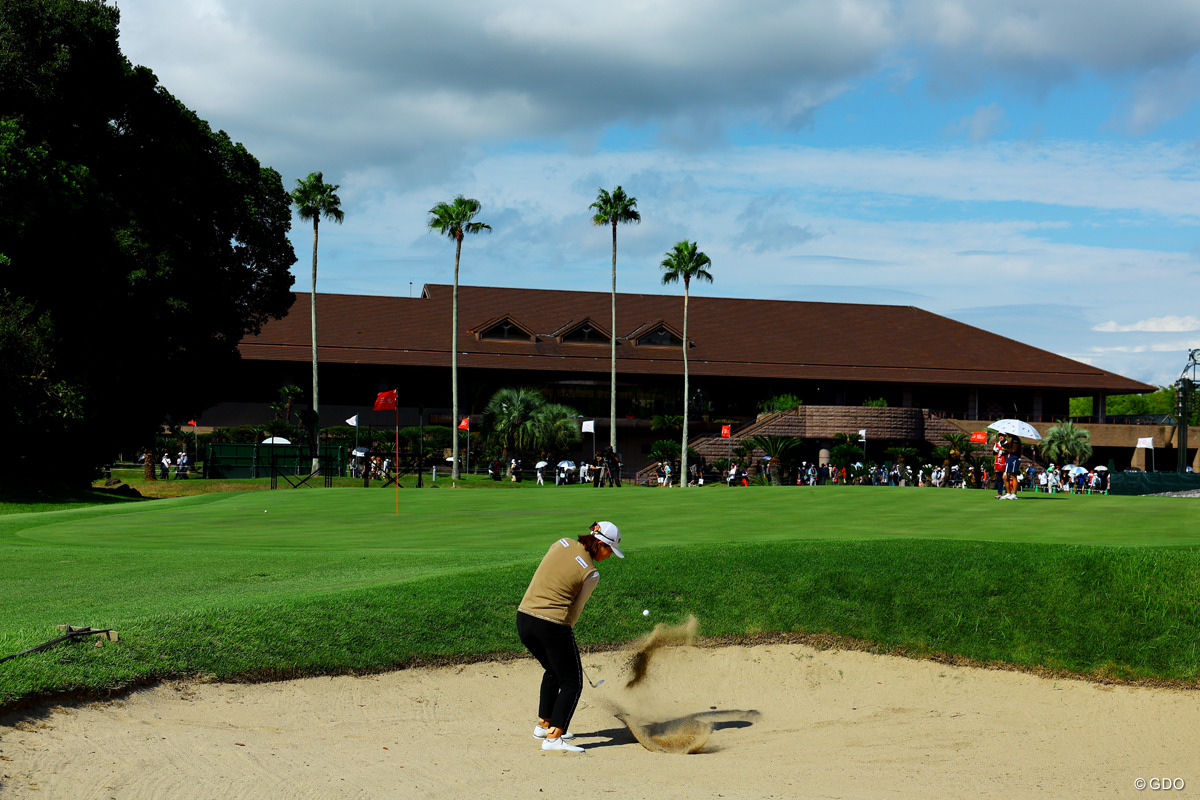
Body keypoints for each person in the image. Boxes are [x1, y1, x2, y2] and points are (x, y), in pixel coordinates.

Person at [517, 521, 625, 753]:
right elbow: (575, 610)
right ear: (599, 544)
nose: (609, 557)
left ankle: (543, 726)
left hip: (524, 619)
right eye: (609, 551)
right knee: (572, 683)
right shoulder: (592, 574)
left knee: (554, 671)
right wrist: (566, 633)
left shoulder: (561, 543)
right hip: (552, 625)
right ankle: (554, 738)